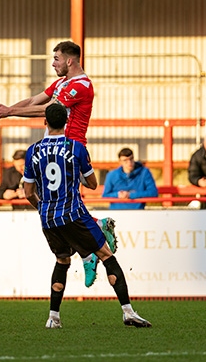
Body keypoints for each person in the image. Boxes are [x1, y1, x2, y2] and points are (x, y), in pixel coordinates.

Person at [0, 40, 112, 286]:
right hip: (55, 146)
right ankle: (92, 239)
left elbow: (49, 109)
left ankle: (90, 249)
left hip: (72, 146)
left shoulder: (81, 85)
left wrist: (9, 114)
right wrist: (6, 111)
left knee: (62, 201)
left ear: (69, 61)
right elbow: (34, 101)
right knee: (59, 203)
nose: (53, 64)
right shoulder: (62, 82)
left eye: (56, 59)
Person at [23, 104, 151, 329]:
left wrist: (42, 208)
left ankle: (53, 318)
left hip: (48, 218)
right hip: (72, 214)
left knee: (62, 260)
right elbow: (93, 184)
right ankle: (128, 312)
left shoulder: (32, 151)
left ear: (45, 123)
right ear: (66, 123)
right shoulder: (76, 147)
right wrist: (77, 176)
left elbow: (27, 192)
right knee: (106, 254)